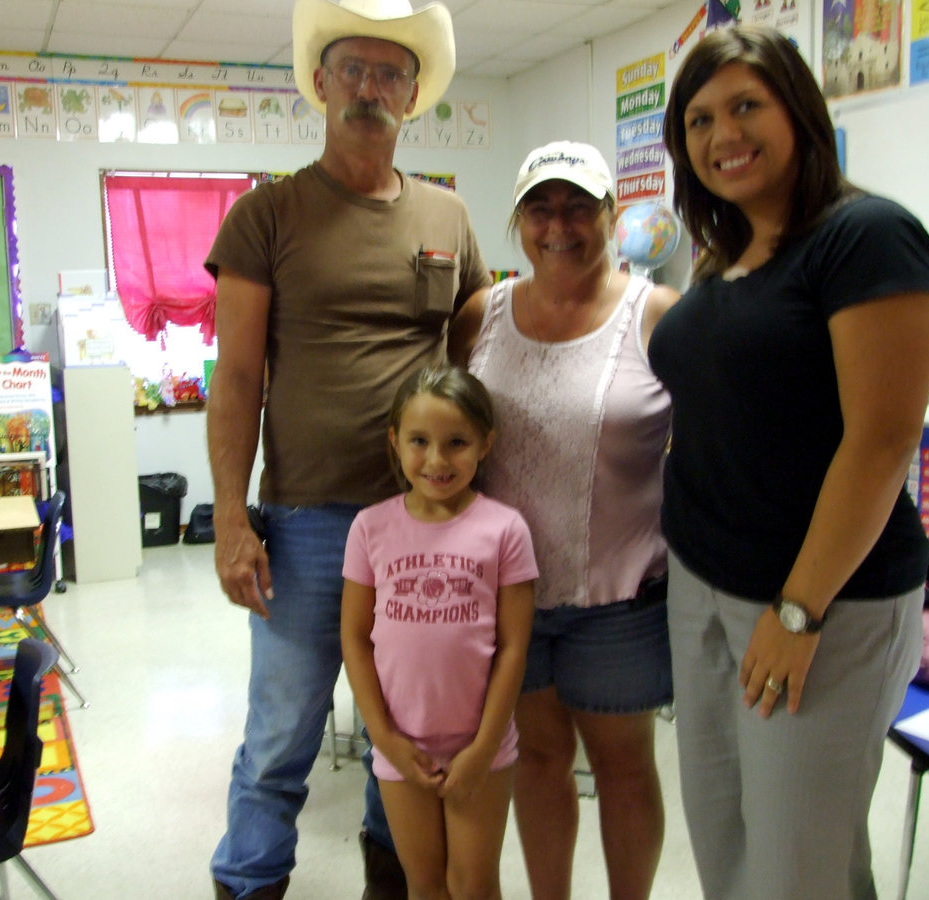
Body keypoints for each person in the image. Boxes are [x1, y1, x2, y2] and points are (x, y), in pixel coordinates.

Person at [203, 0, 491, 896]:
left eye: (391, 74)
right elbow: (238, 379)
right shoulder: (269, 215)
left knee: (402, 725)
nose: (371, 89)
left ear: (416, 95)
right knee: (284, 726)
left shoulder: (448, 216)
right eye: (354, 71)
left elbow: (475, 366)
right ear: (320, 85)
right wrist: (227, 515)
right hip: (306, 523)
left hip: (422, 524)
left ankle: (391, 878)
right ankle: (250, 882)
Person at [651, 25, 929, 899]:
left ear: (800, 111)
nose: (722, 135)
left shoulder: (866, 237)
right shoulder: (725, 255)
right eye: (699, 120)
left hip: (819, 603)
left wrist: (800, 609)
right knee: (730, 845)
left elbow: (883, 440)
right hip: (702, 587)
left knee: (791, 870)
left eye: (746, 106)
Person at [451, 141, 679, 899]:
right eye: (540, 208)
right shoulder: (483, 313)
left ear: (613, 215)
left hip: (618, 601)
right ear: (518, 220)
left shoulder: (656, 316)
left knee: (622, 766)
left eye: (579, 206)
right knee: (539, 761)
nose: (560, 225)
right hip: (509, 597)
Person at [341, 365, 538, 900]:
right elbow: (355, 639)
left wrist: (483, 747)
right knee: (425, 883)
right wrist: (385, 738)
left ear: (485, 443)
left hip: (481, 747)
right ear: (395, 442)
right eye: (419, 442)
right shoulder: (370, 528)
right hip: (401, 746)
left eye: (456, 443)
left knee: (472, 885)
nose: (436, 460)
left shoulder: (505, 529)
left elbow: (514, 647)